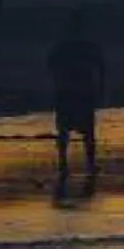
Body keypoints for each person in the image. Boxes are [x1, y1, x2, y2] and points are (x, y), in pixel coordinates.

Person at [48, 10, 106, 190]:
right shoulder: (87, 47)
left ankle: (64, 165)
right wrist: (101, 88)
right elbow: (101, 69)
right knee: (87, 133)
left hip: (67, 92)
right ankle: (88, 165)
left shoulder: (62, 48)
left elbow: (51, 66)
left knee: (65, 131)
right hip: (81, 92)